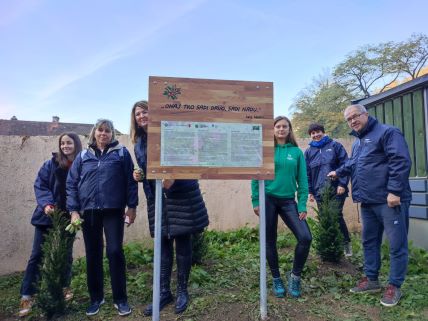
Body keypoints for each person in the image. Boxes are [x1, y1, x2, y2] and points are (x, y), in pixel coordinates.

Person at [328, 104, 411, 307]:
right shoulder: (357, 143)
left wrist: (394, 191)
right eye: (349, 119)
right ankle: (371, 279)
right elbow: (354, 164)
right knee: (369, 242)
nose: (353, 121)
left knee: (396, 244)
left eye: (355, 116)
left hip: (389, 200)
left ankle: (394, 285)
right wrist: (338, 172)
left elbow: (400, 161)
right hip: (368, 201)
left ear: (366, 114)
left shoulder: (387, 132)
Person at [130, 100, 209, 315]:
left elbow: (190, 156)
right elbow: (149, 170)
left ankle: (182, 290)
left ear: (152, 112)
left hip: (180, 194)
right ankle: (164, 292)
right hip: (157, 198)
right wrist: (139, 176)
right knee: (163, 244)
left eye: (145, 111)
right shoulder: (139, 143)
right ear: (134, 119)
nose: (142, 116)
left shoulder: (170, 132)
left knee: (183, 242)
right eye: (138, 114)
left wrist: (174, 176)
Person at [67, 119, 138, 316]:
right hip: (89, 211)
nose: (103, 134)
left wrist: (131, 206)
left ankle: (120, 299)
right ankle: (96, 298)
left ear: (112, 134)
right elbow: (71, 184)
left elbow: (131, 182)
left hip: (113, 210)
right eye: (100, 130)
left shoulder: (121, 154)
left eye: (108, 131)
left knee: (115, 251)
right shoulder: (83, 156)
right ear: (94, 132)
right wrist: (73, 210)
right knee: (93, 253)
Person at [19, 132, 82, 317]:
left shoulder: (81, 165)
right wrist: (46, 204)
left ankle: (64, 287)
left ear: (76, 144)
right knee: (37, 255)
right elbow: (40, 185)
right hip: (46, 216)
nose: (65, 146)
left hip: (70, 217)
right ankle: (27, 295)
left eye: (69, 143)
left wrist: (77, 212)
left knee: (66, 255)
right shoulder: (50, 164)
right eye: (62, 143)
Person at [251, 116, 311, 298]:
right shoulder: (266, 150)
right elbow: (256, 176)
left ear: (289, 129)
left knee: (305, 237)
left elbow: (303, 180)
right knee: (270, 240)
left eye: (285, 126)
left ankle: (295, 276)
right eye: (278, 126)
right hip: (268, 199)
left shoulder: (297, 152)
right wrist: (256, 200)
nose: (281, 129)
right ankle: (276, 278)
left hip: (288, 202)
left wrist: (302, 205)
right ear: (273, 129)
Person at [304, 123, 352, 256]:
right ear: (310, 135)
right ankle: (329, 249)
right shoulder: (308, 152)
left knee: (335, 216)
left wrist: (342, 184)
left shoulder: (335, 146)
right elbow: (307, 173)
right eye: (312, 133)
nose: (316, 135)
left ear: (323, 132)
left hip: (337, 189)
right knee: (325, 218)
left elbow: (346, 165)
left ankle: (346, 246)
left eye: (318, 131)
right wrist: (310, 192)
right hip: (319, 192)